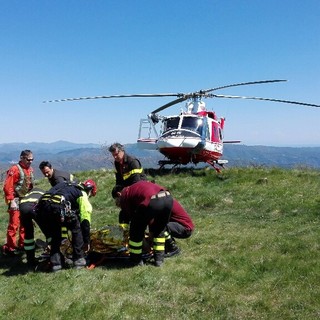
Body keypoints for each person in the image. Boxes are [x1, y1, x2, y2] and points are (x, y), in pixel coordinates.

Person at [36, 179, 97, 272]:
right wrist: (86, 241)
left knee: (55, 234)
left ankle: (56, 264)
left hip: (42, 206)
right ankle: (79, 261)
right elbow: (85, 220)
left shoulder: (67, 185)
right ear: (90, 191)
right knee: (76, 229)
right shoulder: (82, 193)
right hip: (58, 206)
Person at [112, 181, 173, 267]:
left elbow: (133, 219)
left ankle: (136, 260)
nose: (117, 203)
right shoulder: (134, 189)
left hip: (153, 200)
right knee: (159, 230)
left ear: (119, 194)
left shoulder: (125, 195)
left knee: (135, 230)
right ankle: (159, 260)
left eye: (116, 201)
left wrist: (143, 240)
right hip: (168, 199)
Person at [2, 150, 34, 255]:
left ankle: (22, 244)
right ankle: (10, 247)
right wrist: (11, 201)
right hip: (15, 199)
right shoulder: (15, 169)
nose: (30, 162)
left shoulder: (30, 170)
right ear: (22, 158)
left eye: (32, 159)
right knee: (14, 224)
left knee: (25, 223)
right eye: (28, 159)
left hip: (25, 199)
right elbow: (8, 186)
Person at [39, 160, 75, 239]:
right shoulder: (52, 175)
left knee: (64, 217)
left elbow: (62, 191)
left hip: (72, 195)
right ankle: (65, 238)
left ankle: (65, 238)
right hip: (70, 193)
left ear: (51, 168)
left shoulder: (57, 178)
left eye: (47, 172)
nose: (46, 174)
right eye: (44, 173)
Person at [19, 188, 48, 266]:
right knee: (47, 230)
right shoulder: (46, 194)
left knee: (28, 235)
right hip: (34, 206)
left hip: (22, 207)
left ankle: (30, 260)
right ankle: (52, 253)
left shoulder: (29, 193)